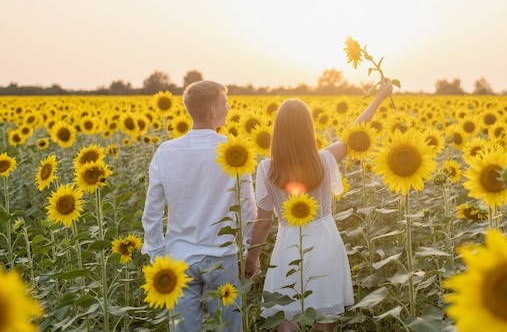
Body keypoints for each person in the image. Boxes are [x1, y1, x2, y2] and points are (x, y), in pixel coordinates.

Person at [245, 79, 393, 332]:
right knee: (324, 322)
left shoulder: (266, 169)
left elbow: (264, 220)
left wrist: (252, 259)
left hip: (289, 246)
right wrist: (379, 97)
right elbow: (356, 131)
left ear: (278, 131)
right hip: (326, 243)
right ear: (308, 129)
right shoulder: (324, 159)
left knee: (286, 316)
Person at [142, 81, 257, 332]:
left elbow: (151, 212)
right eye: (225, 104)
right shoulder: (234, 151)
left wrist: (158, 255)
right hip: (223, 258)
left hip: (179, 259)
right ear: (213, 112)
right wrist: (247, 252)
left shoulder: (166, 152)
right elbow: (248, 209)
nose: (228, 109)